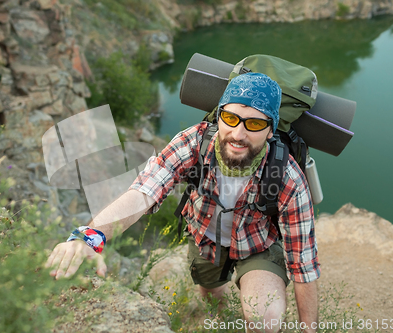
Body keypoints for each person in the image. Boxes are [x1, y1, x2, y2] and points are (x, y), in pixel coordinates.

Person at [45, 73, 320, 333]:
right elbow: (144, 191)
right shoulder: (195, 142)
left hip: (257, 244)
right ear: (219, 117)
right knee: (212, 300)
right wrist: (90, 237)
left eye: (255, 123)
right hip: (205, 239)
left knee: (265, 317)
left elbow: (303, 264)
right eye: (230, 118)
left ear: (271, 130)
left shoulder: (288, 178)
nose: (238, 133)